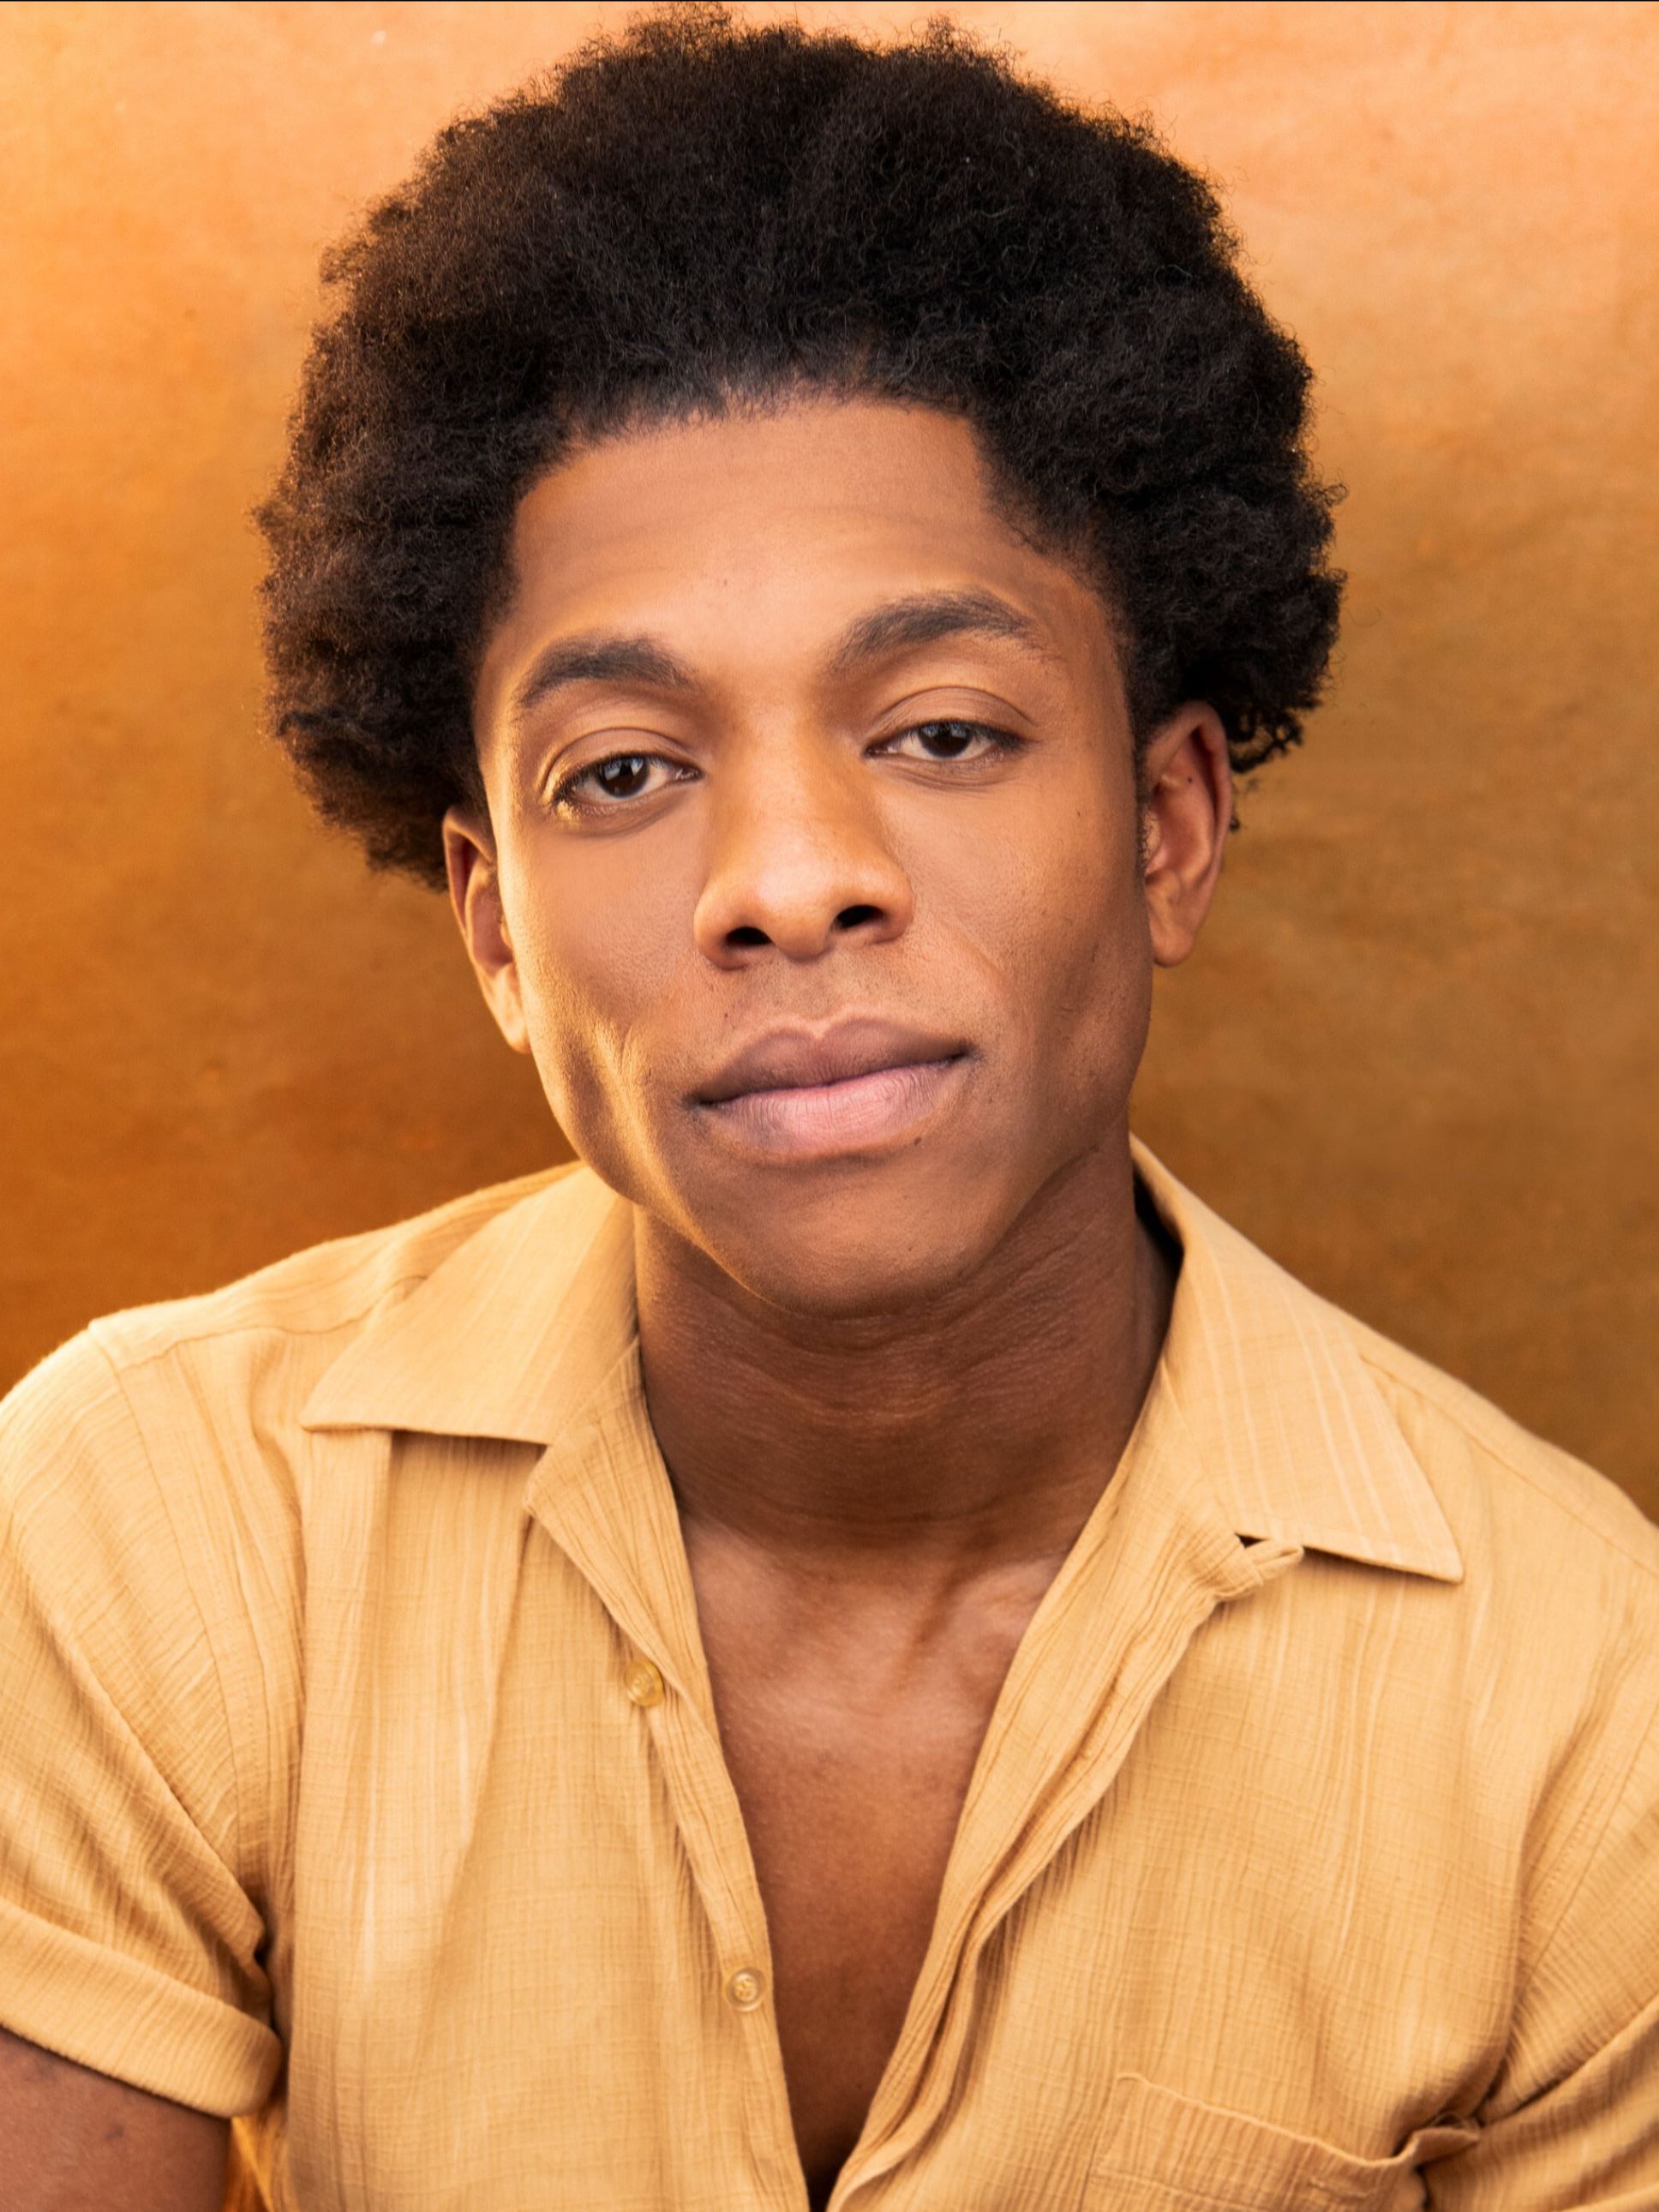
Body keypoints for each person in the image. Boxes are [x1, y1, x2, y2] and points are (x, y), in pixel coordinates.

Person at [3, 9, 1655, 2209]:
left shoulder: (1585, 1717)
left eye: (942, 730)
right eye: (622, 770)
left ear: (1167, 825)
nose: (787, 880)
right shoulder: (154, 1522)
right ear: (492, 927)